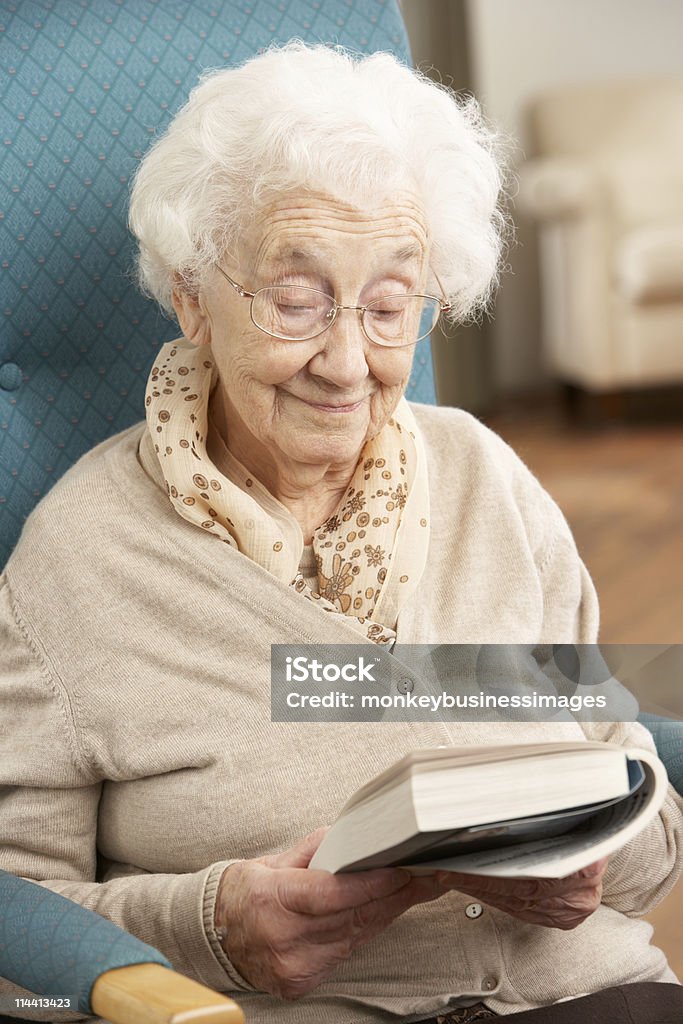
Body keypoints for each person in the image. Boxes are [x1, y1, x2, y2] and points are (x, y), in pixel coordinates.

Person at [0, 42, 681, 1024]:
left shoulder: (486, 481)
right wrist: (215, 924)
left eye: (389, 305)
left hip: (590, 993)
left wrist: (600, 854)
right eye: (294, 298)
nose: (345, 360)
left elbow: (639, 790)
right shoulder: (79, 560)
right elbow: (19, 933)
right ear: (192, 295)